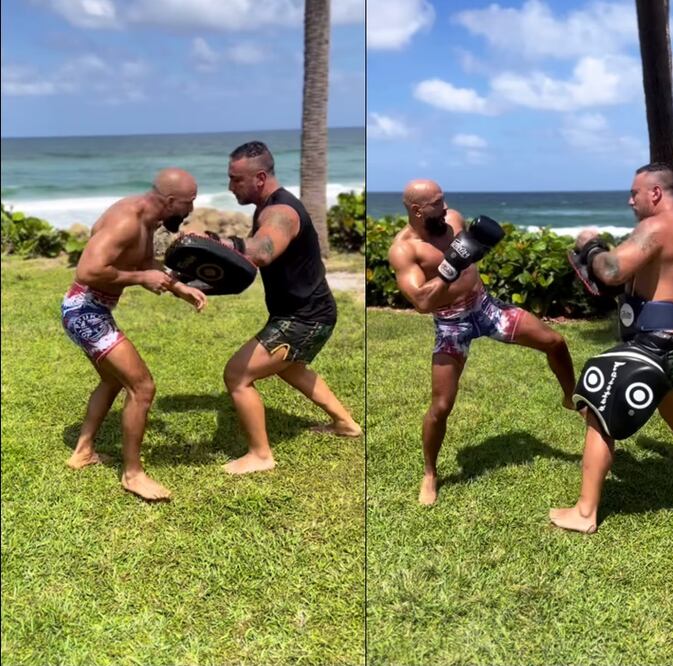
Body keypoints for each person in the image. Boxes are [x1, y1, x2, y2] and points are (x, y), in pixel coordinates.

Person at [549, 162, 673, 534]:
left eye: (635, 192)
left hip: (654, 342)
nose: (630, 199)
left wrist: (590, 246)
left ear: (656, 193)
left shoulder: (658, 226)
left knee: (599, 413)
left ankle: (585, 513)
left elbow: (613, 271)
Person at [387, 179, 576, 505]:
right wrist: (449, 268)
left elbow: (470, 260)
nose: (445, 207)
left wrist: (477, 250)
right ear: (417, 210)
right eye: (437, 202)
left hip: (485, 308)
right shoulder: (404, 249)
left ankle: (570, 397)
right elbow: (421, 302)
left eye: (443, 199)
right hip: (451, 324)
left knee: (555, 341)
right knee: (441, 406)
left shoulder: (454, 220)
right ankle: (430, 473)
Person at [63, 168, 207, 500]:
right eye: (189, 203)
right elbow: (87, 270)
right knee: (142, 387)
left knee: (114, 380)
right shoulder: (127, 220)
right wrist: (140, 278)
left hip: (88, 309)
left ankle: (83, 451)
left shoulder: (147, 220)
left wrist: (179, 287)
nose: (191, 211)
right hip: (85, 310)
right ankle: (133, 474)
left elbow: (147, 263)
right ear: (171, 201)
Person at [219, 141, 361, 475]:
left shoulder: (280, 212)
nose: (230, 187)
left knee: (237, 374)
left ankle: (261, 455)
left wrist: (222, 243)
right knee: (290, 366)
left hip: (304, 318)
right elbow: (247, 267)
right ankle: (346, 424)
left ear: (260, 177)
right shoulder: (267, 206)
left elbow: (264, 250)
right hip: (308, 312)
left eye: (236, 180)